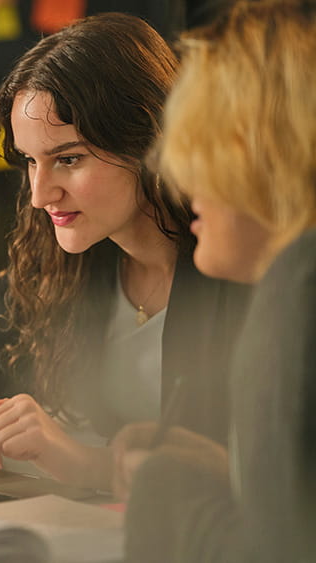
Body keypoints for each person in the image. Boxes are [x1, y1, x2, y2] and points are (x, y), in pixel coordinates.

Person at [0, 12, 249, 489]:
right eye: (30, 161)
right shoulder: (52, 265)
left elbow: (255, 484)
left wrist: (80, 461)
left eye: (68, 159)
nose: (41, 195)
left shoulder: (237, 271)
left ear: (149, 141)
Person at [111, 1, 316, 560]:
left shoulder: (300, 286)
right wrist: (236, 473)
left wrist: (166, 490)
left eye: (199, 144)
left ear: (262, 150)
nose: (179, 175)